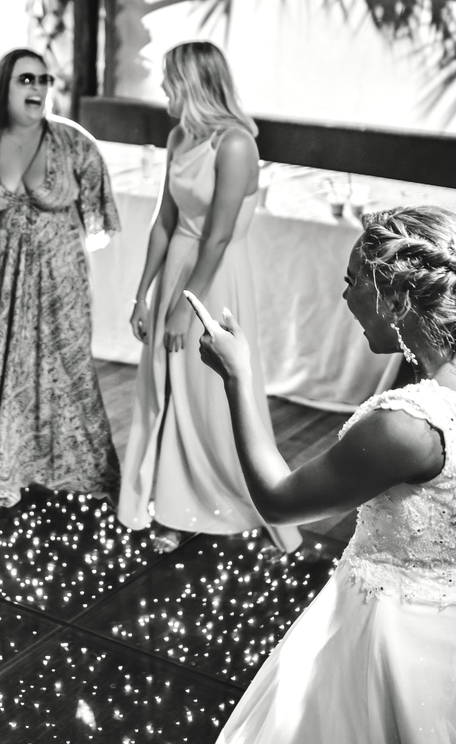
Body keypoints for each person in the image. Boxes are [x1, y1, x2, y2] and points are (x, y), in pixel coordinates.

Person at [202, 205, 456, 743]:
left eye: (353, 281)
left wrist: (238, 377)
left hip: (388, 645)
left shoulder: (408, 425)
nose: (345, 297)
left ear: (400, 298)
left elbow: (277, 501)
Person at [117, 41, 301, 553]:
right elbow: (164, 221)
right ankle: (171, 503)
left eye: (169, 78)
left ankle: (229, 499)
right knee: (165, 387)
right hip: (177, 268)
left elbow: (217, 238)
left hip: (214, 280)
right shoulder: (179, 135)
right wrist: (142, 295)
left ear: (193, 83)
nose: (162, 87)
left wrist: (185, 307)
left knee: (208, 394)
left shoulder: (236, 144)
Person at [0, 48, 120, 508]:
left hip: (60, 285)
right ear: (4, 85)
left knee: (65, 376)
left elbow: (99, 218)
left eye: (43, 79)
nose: (38, 87)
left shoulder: (75, 143)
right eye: (26, 79)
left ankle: (71, 474)